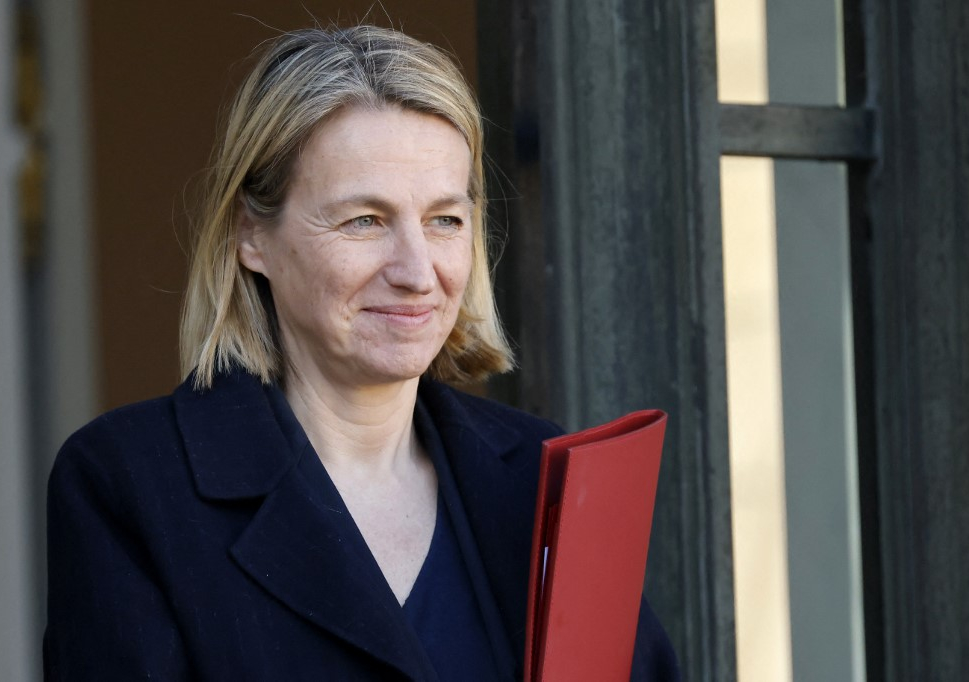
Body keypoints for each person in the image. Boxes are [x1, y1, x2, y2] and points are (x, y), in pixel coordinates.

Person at [44, 25, 680, 681]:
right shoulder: (132, 485)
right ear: (251, 236)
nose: (417, 271)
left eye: (444, 219)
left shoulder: (541, 480)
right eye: (365, 221)